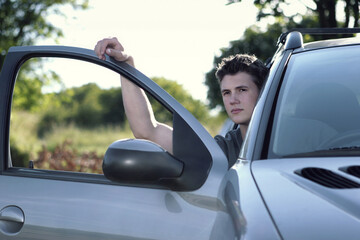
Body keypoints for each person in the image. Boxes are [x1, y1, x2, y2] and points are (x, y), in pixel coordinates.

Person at [94, 37, 268, 167]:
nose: (233, 100)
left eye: (242, 90)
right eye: (226, 92)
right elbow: (147, 131)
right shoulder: (224, 150)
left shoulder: (290, 142)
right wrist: (127, 66)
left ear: (262, 92)